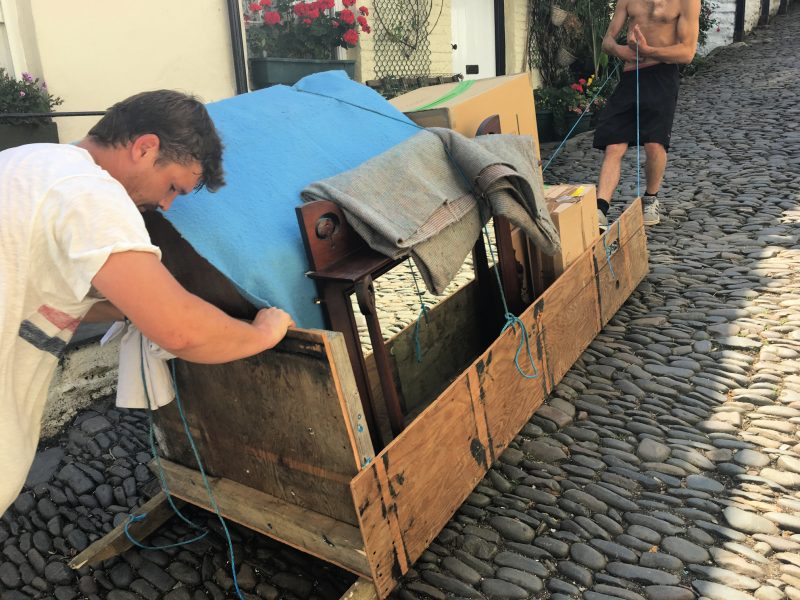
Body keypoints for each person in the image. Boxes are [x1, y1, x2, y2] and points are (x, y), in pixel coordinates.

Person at [0, 90, 295, 515]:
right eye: (173, 186)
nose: (166, 204)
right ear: (145, 147)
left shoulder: (27, 163)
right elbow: (181, 331)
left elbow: (42, 295)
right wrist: (261, 333)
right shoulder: (91, 195)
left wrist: (136, 306)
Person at [593, 0, 701, 229]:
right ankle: (600, 208)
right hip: (631, 76)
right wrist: (620, 50)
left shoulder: (687, 2)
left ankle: (651, 198)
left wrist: (650, 51)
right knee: (613, 144)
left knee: (654, 143)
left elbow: (687, 52)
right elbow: (607, 41)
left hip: (663, 74)